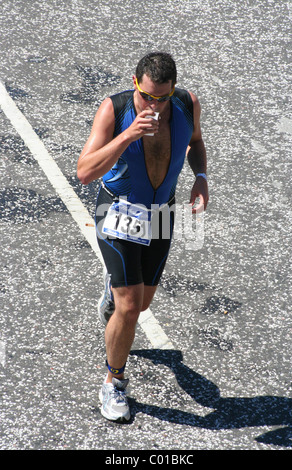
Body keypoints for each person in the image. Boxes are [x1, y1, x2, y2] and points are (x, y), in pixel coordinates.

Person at [77, 52, 208, 422]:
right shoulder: (114, 109)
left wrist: (201, 178)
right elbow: (85, 172)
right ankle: (114, 382)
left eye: (161, 97)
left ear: (173, 90)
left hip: (162, 213)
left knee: (142, 304)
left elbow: (195, 143)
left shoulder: (186, 103)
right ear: (135, 82)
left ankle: (112, 292)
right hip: (119, 212)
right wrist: (129, 134)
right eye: (146, 96)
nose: (153, 104)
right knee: (130, 307)